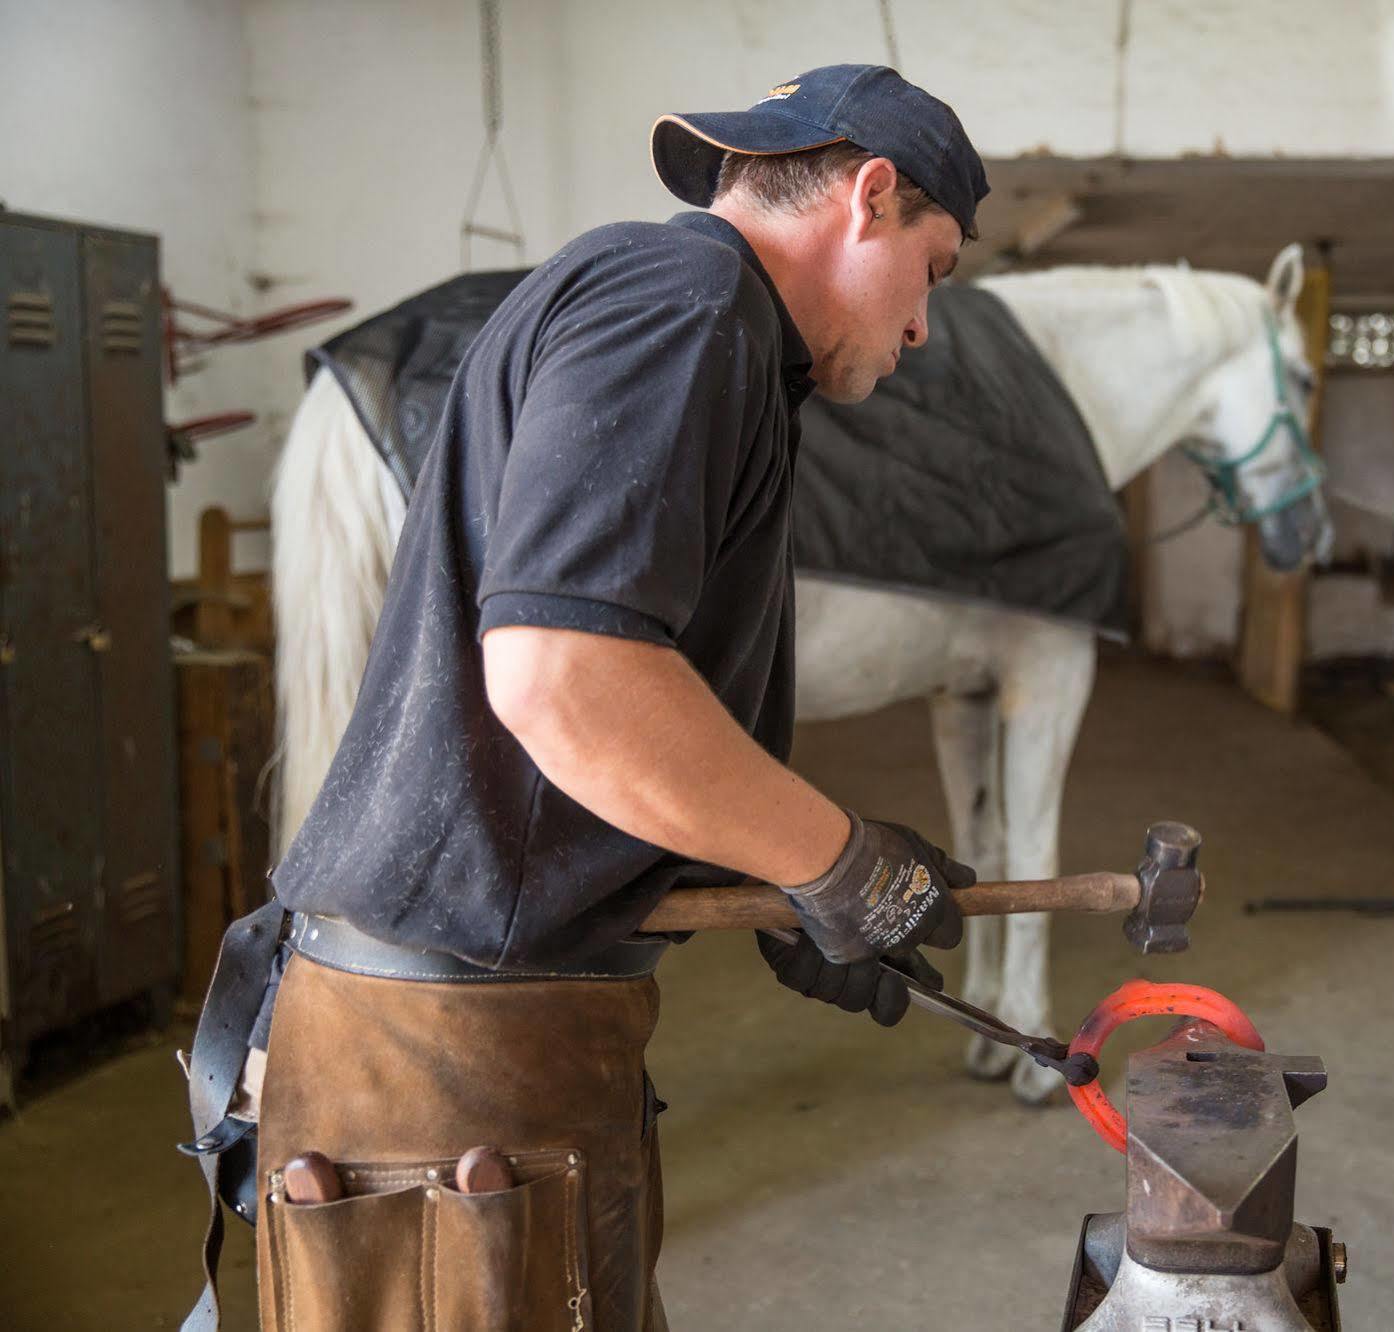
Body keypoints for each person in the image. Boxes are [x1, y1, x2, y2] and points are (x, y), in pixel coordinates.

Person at [182, 64, 989, 1331]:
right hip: (446, 1061)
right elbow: (567, 680)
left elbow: (582, 744)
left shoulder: (690, 319)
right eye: (933, 271)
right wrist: (837, 863)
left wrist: (778, 892)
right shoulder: (688, 301)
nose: (923, 327)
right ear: (870, 198)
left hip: (481, 1030)